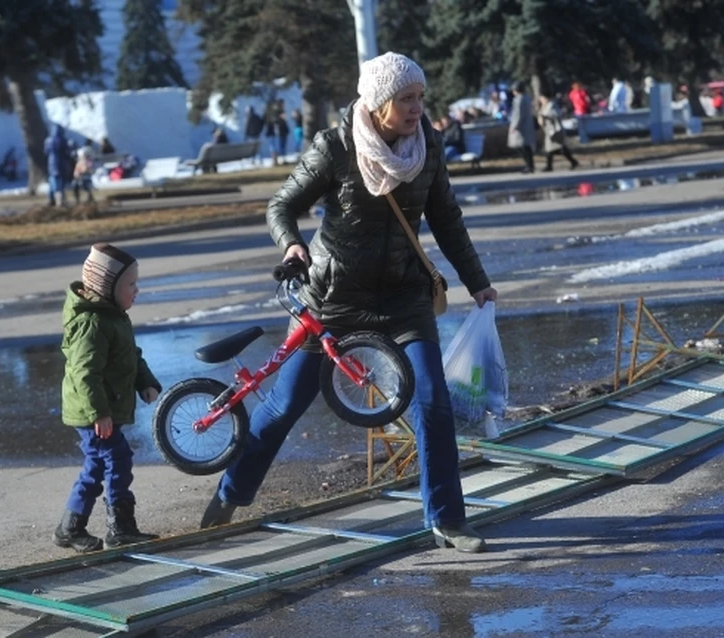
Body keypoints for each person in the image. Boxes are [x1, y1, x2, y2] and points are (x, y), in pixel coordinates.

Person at [199, 52, 497, 554]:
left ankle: (447, 520)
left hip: (404, 296)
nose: (416, 108)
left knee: (432, 402)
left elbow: (446, 217)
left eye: (421, 98)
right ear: (379, 103)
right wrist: (291, 244)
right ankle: (230, 494)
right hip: (333, 300)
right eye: (406, 99)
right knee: (285, 405)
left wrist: (477, 281)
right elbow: (282, 205)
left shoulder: (429, 145)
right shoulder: (335, 146)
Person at [53, 243, 162, 553]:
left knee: (98, 466)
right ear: (107, 287)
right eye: (131, 284)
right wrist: (99, 413)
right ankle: (120, 528)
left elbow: (131, 357)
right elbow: (84, 373)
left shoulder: (114, 317)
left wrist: (146, 382)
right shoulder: (93, 323)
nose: (136, 290)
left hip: (100, 410)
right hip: (93, 412)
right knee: (116, 460)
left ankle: (70, 527)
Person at [538, 92, 579, 172]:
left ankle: (550, 166)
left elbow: (556, 114)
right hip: (549, 131)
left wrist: (546, 116)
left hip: (555, 130)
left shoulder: (552, 105)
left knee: (555, 148)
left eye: (542, 98)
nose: (541, 100)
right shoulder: (543, 106)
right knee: (552, 149)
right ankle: (572, 162)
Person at [507, 81, 536, 173]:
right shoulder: (527, 98)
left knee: (521, 146)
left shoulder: (518, 100)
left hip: (521, 126)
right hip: (527, 124)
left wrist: (514, 126)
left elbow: (517, 114)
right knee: (526, 146)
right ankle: (530, 165)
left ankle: (529, 165)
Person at [44, 125, 69, 206]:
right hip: (61, 164)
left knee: (52, 183)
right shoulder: (62, 140)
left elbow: (46, 152)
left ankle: (51, 200)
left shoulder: (48, 140)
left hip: (51, 164)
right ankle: (60, 202)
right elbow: (66, 152)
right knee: (59, 185)